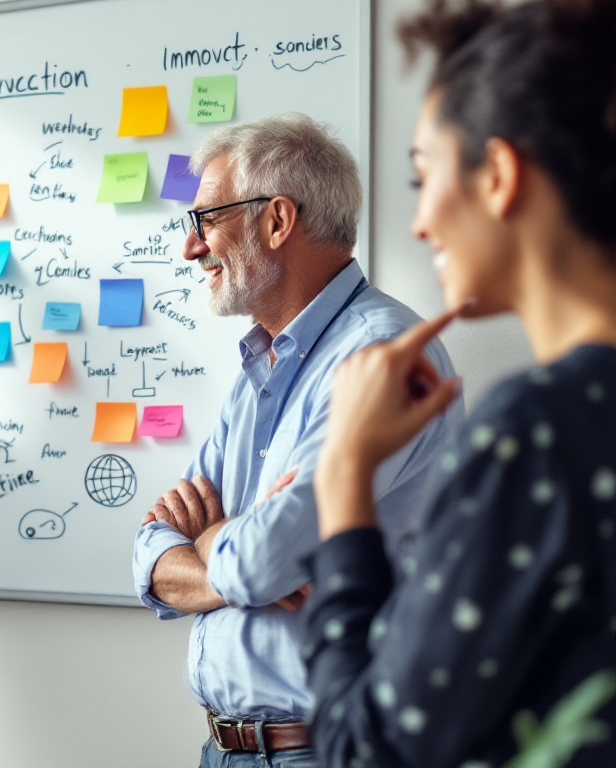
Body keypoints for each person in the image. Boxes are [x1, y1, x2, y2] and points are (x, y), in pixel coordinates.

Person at [303, 1, 616, 766]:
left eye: (423, 175)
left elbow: (364, 752)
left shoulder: (535, 431)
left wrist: (344, 474)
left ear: (500, 175)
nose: (418, 222)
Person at [131, 113, 464, 767]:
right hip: (224, 749)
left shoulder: (383, 358)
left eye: (206, 220)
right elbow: (149, 553)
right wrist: (234, 553)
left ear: (277, 220)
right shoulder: (261, 363)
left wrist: (208, 537)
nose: (190, 249)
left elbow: (258, 562)